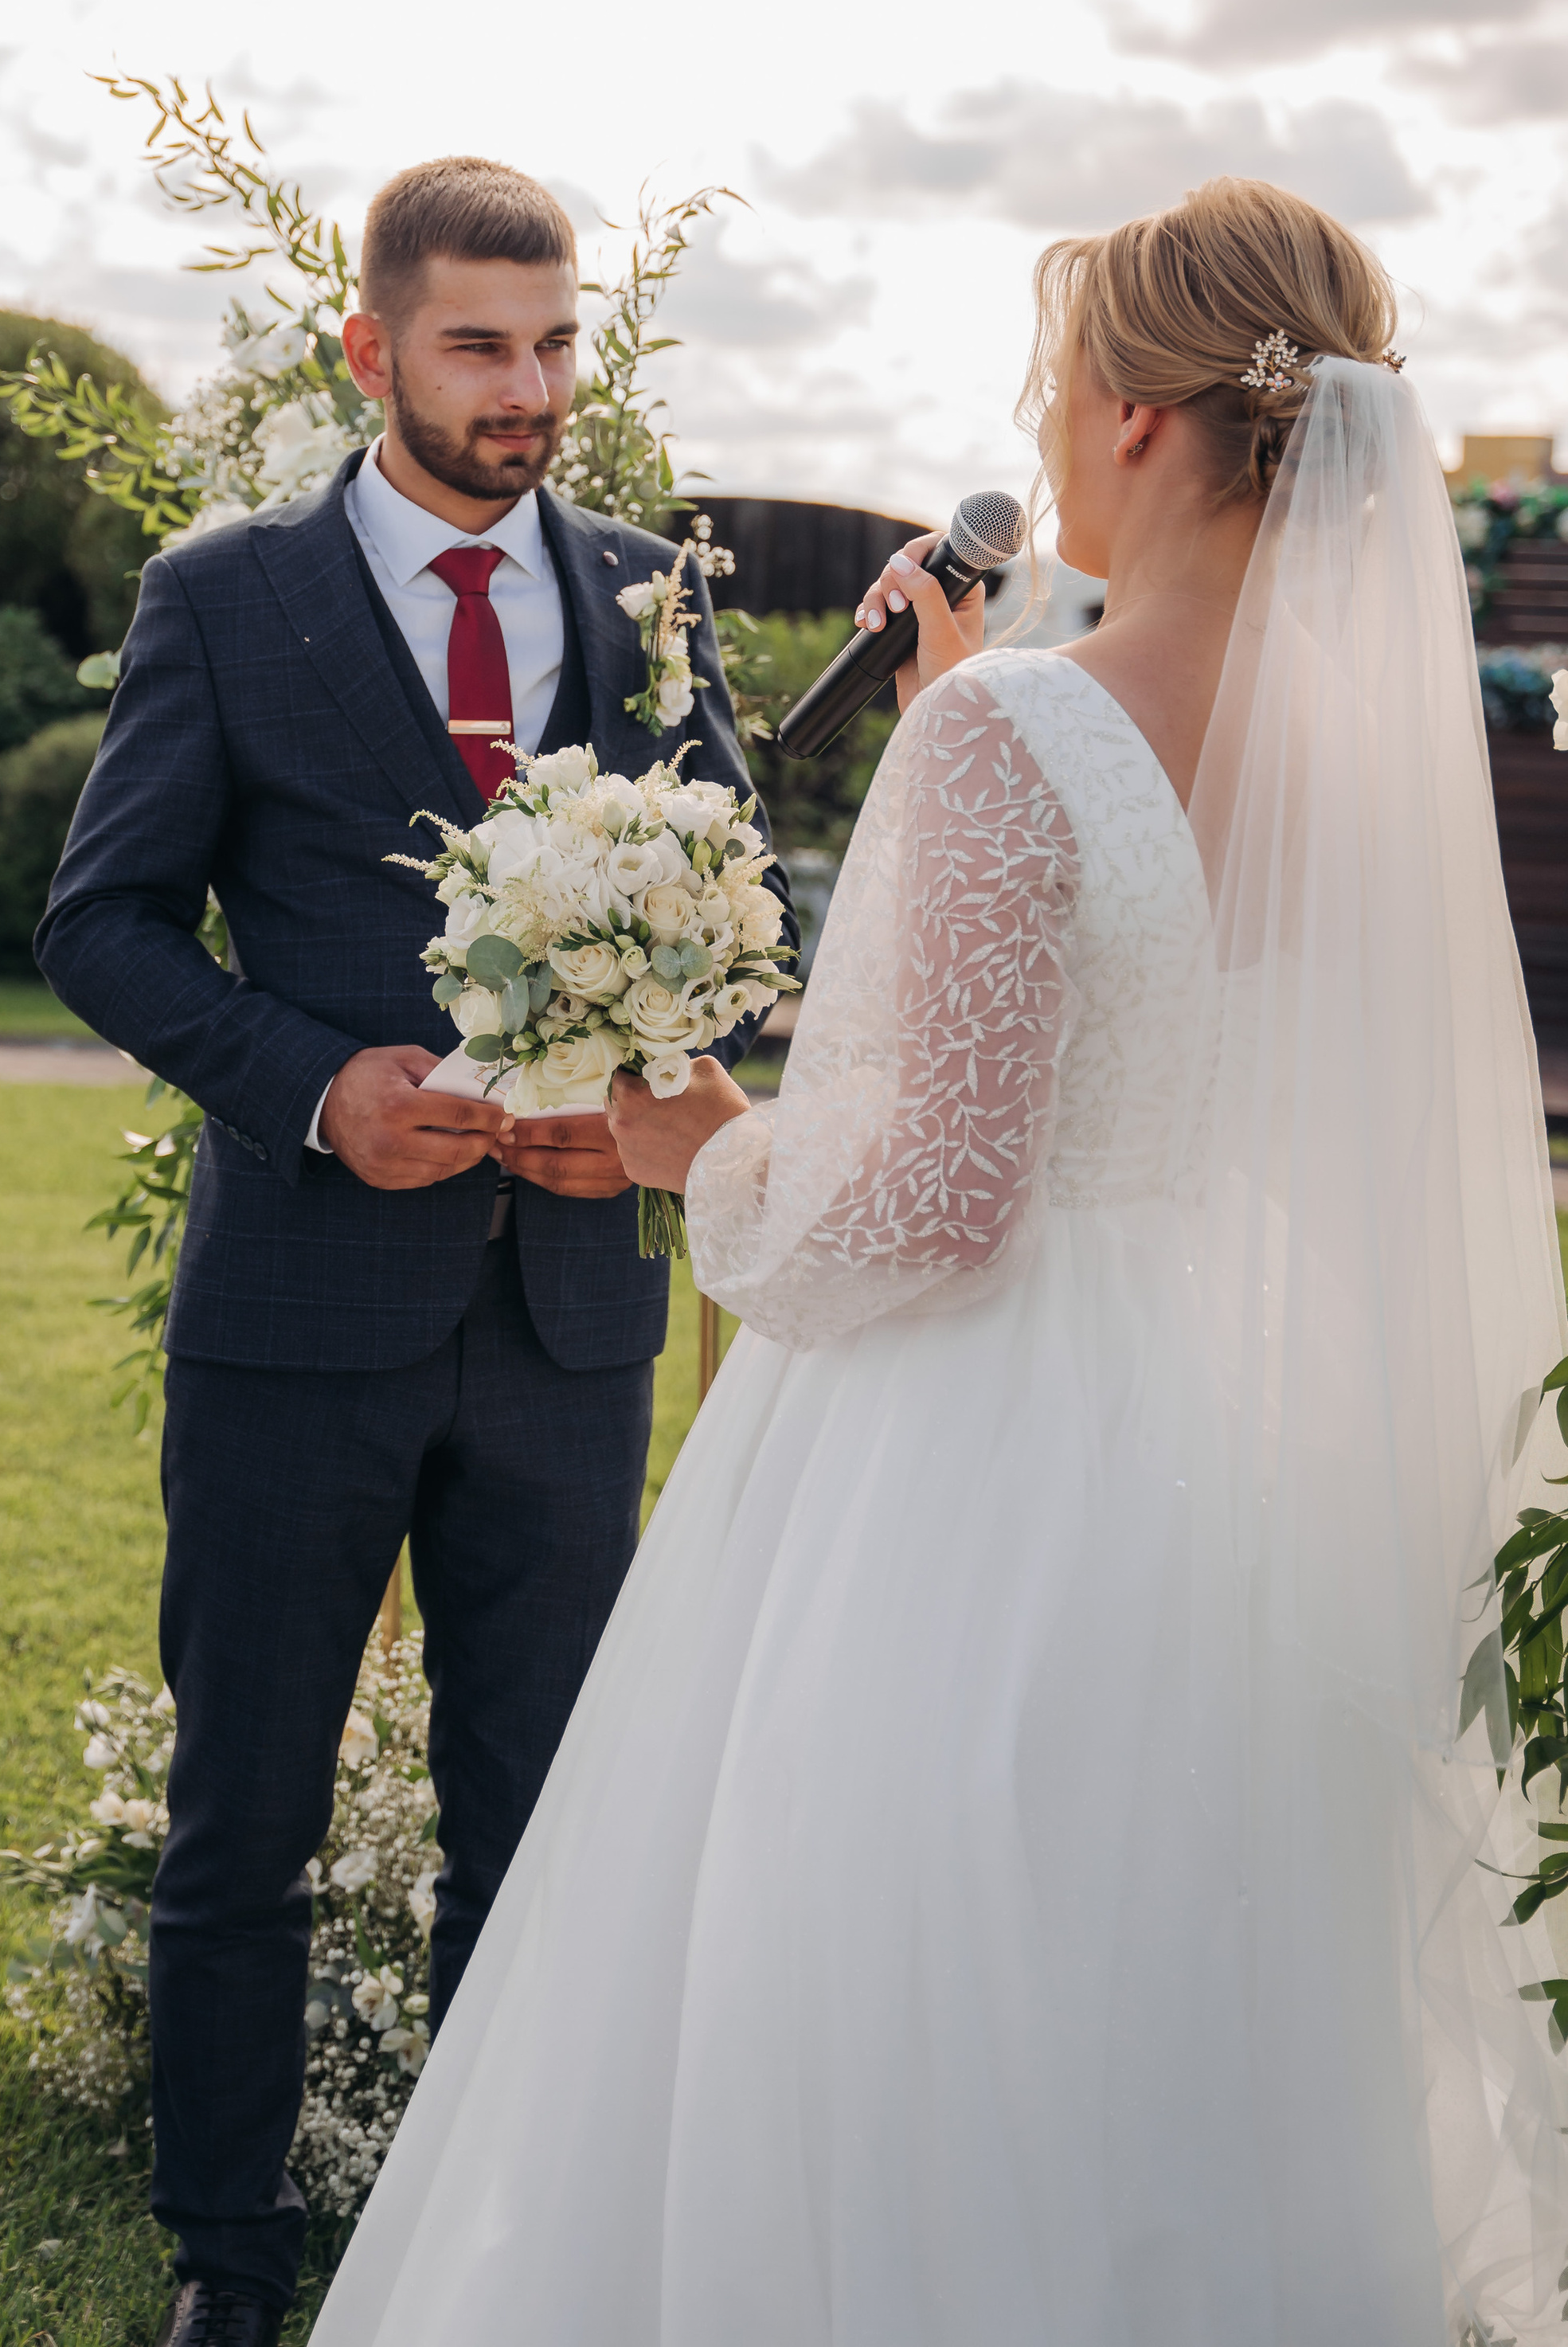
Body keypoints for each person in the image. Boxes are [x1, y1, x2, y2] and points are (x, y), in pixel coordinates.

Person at [311, 178, 1568, 2346]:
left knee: (896, 1942)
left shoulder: (1014, 730)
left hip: (981, 1452)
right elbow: (1150, 1007)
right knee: (1180, 1954)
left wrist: (700, 1138)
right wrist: (990, 705)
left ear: (1146, 425)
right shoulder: (1354, 748)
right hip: (1229, 1426)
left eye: (1054, 385)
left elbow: (936, 1204)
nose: (1047, 430)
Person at [35, 155, 791, 2347]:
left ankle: (491, 2255)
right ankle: (231, 2269)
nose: (529, 387)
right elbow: (100, 923)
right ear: (370, 350)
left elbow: (732, 927)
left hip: (570, 1315)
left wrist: (645, 1122)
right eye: (478, 344)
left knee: (535, 1815)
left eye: (554, 344)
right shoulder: (227, 590)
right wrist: (311, 1085)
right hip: (296, 1307)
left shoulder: (657, 590)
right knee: (241, 1811)